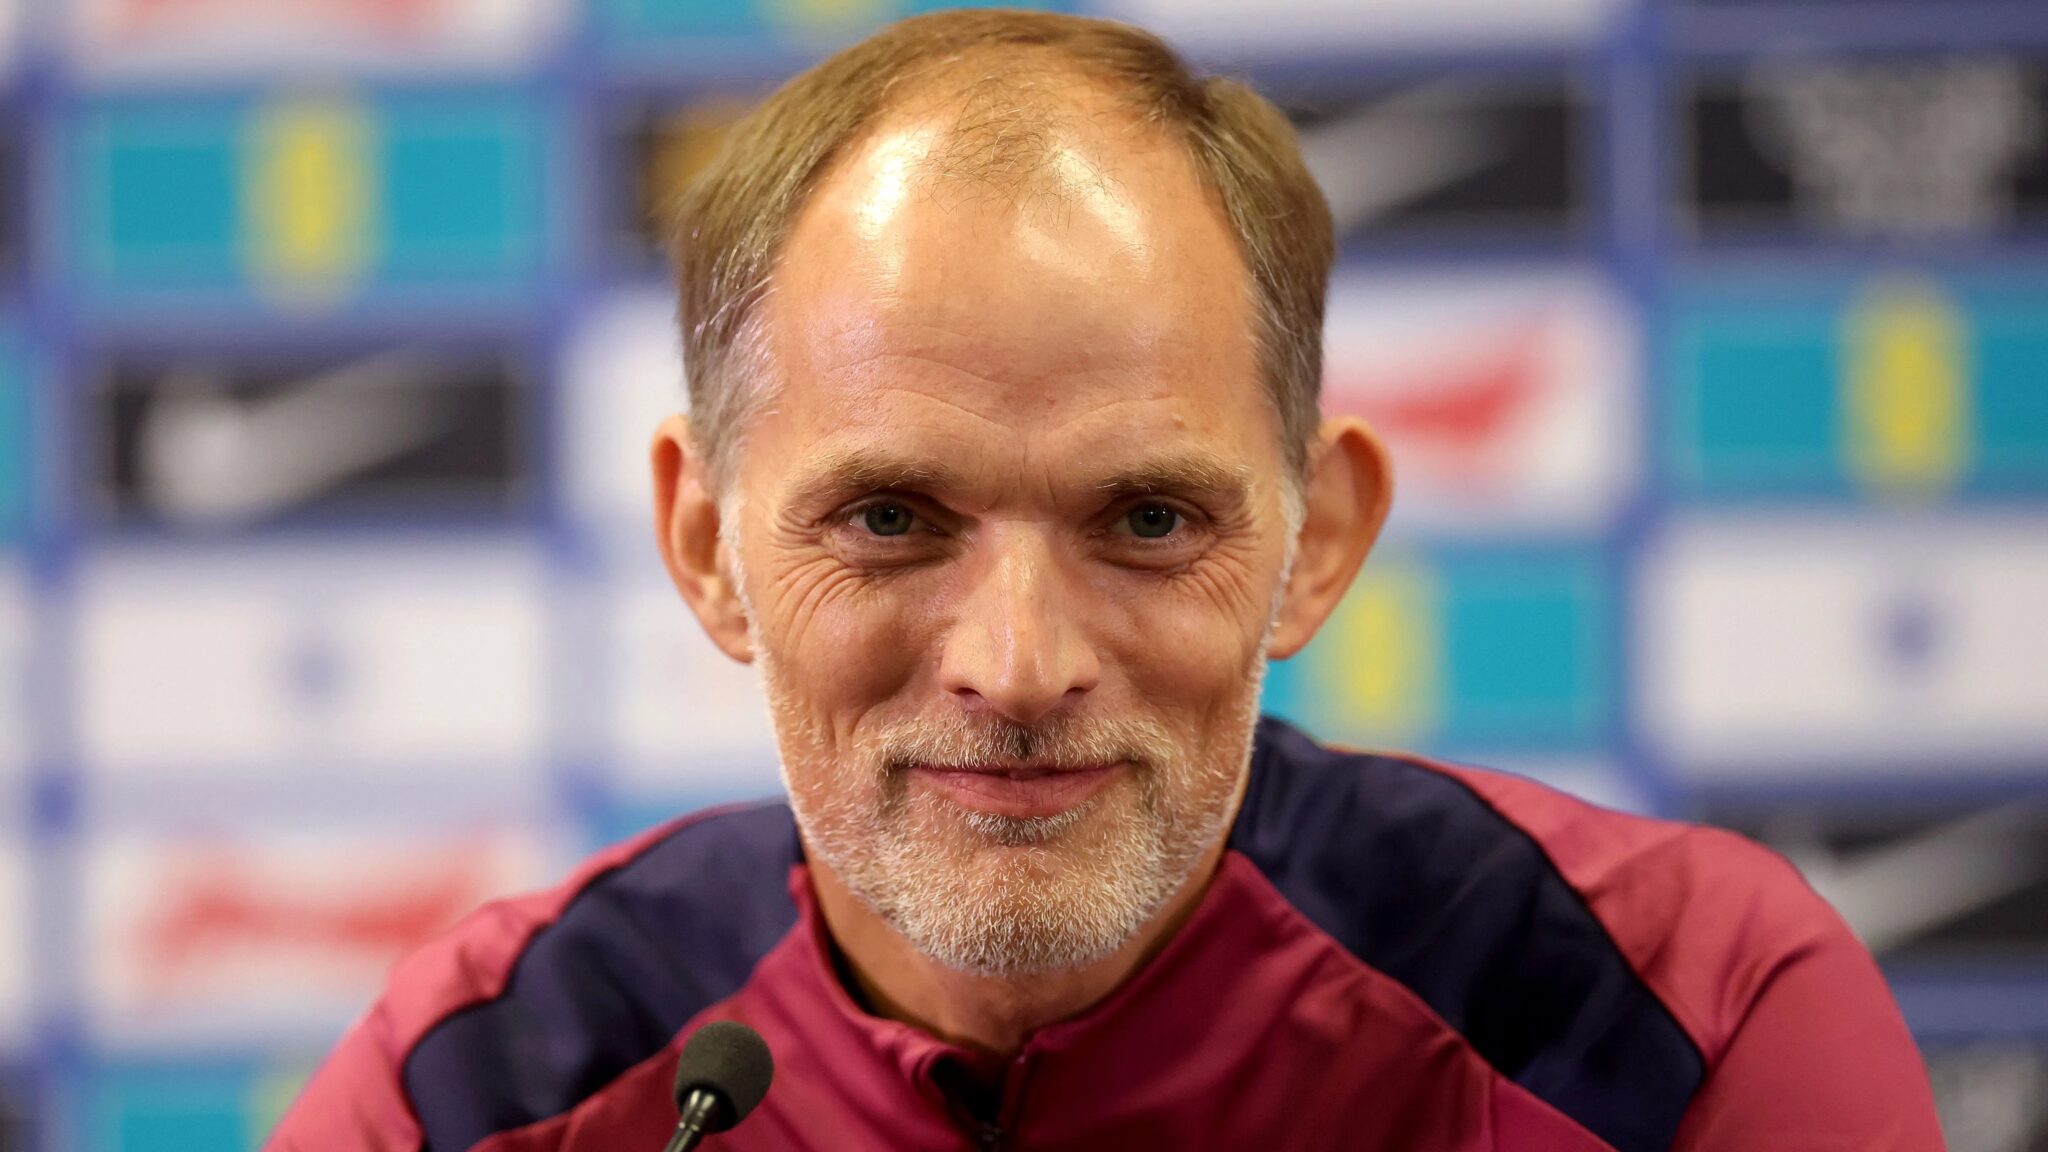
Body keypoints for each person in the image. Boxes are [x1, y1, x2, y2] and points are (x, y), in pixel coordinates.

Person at [270, 10, 1945, 1151]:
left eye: (1146, 519)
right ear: (711, 549)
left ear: (1316, 542)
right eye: (890, 518)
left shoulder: (1689, 1014)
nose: (1018, 664)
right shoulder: (479, 1087)